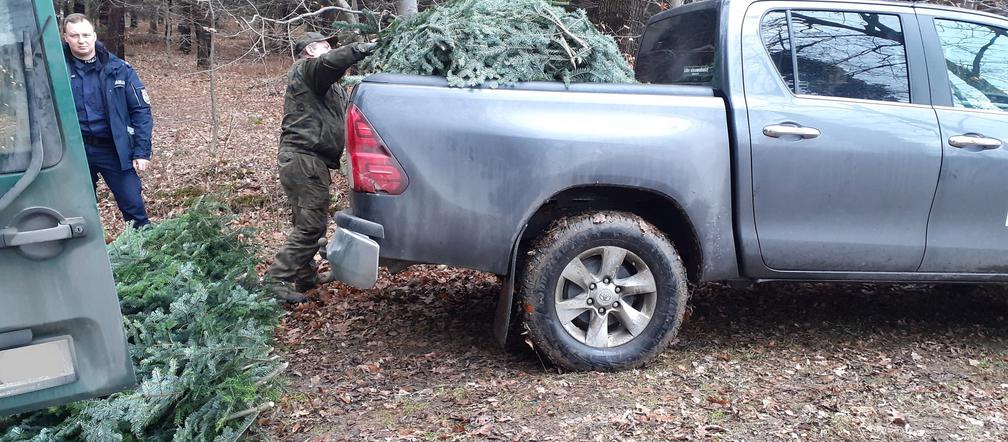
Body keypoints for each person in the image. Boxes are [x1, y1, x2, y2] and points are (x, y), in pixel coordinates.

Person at [267, 33, 376, 303]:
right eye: (326, 46)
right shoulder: (307, 70)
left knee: (305, 222)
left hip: (307, 160)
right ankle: (275, 280)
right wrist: (363, 48)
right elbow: (329, 63)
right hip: (304, 159)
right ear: (310, 50)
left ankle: (305, 277)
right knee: (312, 227)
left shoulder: (328, 84)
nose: (331, 50)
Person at [62, 13, 153, 229]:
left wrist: (141, 151)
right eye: (75, 35)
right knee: (79, 211)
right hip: (76, 151)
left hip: (114, 149)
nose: (81, 40)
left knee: (133, 204)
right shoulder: (56, 69)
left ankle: (144, 252)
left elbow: (141, 110)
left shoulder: (119, 69)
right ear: (66, 37)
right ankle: (90, 257)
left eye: (85, 34)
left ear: (94, 36)